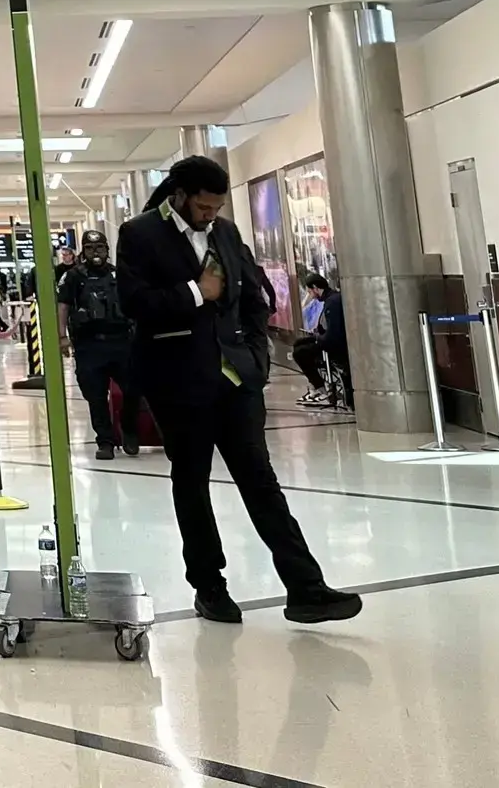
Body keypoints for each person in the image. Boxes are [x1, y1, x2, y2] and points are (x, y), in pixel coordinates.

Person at [118, 156, 361, 627]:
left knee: (261, 482)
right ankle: (209, 586)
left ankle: (305, 587)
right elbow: (135, 304)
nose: (210, 215)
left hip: (236, 381)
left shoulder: (226, 233)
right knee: (192, 484)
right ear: (180, 196)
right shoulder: (140, 233)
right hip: (177, 381)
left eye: (217, 208)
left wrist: (256, 357)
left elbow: (254, 298)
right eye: (203, 207)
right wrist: (197, 292)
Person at [57, 229, 140, 460]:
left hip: (121, 342)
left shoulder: (119, 274)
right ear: (83, 251)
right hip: (89, 345)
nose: (96, 253)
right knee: (96, 397)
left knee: (134, 389)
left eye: (100, 248)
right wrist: (62, 337)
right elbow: (63, 306)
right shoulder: (73, 277)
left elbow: (135, 303)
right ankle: (105, 441)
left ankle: (128, 428)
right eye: (90, 248)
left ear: (107, 250)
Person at [293, 274, 350, 410]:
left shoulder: (332, 302)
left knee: (300, 353)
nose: (311, 296)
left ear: (315, 288)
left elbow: (333, 334)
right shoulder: (331, 299)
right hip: (328, 337)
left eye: (310, 292)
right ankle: (315, 387)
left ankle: (321, 390)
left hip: (334, 343)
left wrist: (317, 338)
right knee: (298, 343)